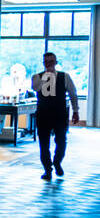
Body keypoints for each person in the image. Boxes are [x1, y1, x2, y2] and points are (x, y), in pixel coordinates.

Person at [31, 51, 81, 181]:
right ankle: (47, 169)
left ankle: (57, 161)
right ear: (43, 63)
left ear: (56, 63)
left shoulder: (64, 76)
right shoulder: (37, 76)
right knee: (44, 143)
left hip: (59, 113)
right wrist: (45, 79)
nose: (48, 64)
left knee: (61, 140)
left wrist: (75, 111)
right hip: (43, 113)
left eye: (51, 62)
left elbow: (72, 94)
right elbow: (35, 88)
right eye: (46, 62)